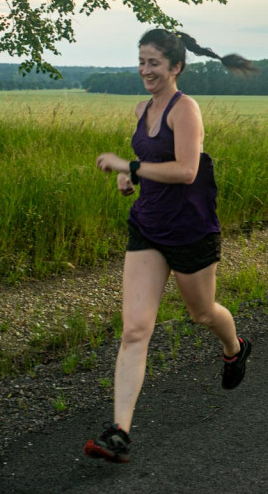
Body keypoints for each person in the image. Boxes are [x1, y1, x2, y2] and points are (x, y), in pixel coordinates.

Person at [86, 29, 257, 463]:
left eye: (154, 64)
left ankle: (234, 348)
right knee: (135, 329)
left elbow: (184, 170)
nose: (145, 70)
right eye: (141, 61)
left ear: (176, 67)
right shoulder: (143, 107)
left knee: (202, 313)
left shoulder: (187, 110)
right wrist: (131, 179)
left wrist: (130, 165)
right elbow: (149, 163)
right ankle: (119, 431)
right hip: (148, 226)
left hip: (190, 229)